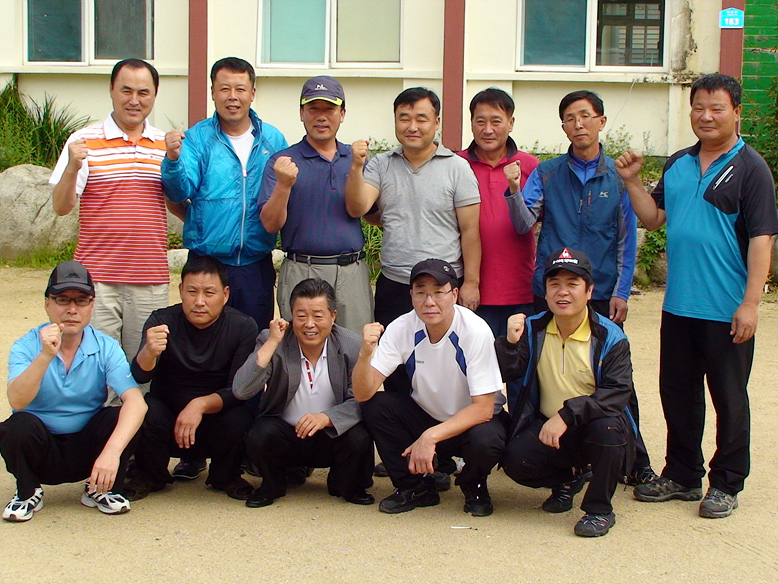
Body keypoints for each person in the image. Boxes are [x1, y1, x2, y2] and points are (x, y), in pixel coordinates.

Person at [616, 73, 778, 518]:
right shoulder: (678, 164)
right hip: (679, 306)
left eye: (716, 108)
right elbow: (654, 218)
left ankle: (726, 482)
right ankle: (683, 474)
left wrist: (750, 304)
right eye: (698, 108)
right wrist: (631, 182)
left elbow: (762, 240)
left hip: (726, 308)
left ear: (736, 112)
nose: (706, 116)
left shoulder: (751, 168)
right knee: (678, 394)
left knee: (729, 398)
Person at [505, 89, 654, 485]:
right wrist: (515, 190)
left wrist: (621, 291)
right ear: (563, 127)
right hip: (552, 289)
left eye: (586, 116)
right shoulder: (548, 173)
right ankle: (544, 450)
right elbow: (523, 224)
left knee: (613, 378)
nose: (579, 124)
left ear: (601, 122)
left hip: (600, 292)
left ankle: (635, 459)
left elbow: (626, 238)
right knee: (542, 370)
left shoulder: (618, 177)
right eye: (570, 118)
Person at [345, 87, 481, 402]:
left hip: (443, 285)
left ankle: (445, 429)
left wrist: (471, 283)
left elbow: (470, 230)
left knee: (447, 367)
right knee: (395, 369)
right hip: (396, 284)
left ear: (436, 122)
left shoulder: (457, 168)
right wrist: (356, 167)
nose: (412, 126)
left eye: (421, 118)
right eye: (404, 118)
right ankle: (402, 427)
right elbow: (358, 207)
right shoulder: (381, 164)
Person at [496, 248, 633, 537]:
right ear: (545, 292)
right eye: (554, 284)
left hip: (592, 423)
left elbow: (617, 393)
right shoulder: (532, 328)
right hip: (548, 425)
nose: (563, 292)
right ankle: (569, 479)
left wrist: (567, 415)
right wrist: (508, 343)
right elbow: (509, 372)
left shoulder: (610, 336)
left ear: (589, 291)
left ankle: (599, 510)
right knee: (516, 461)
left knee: (608, 430)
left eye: (573, 284)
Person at [353, 259, 508, 516]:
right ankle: (415, 487)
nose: (429, 302)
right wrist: (364, 355)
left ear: (454, 295)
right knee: (377, 406)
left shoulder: (475, 330)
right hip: (426, 415)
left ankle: (475, 485)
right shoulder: (402, 327)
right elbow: (363, 393)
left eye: (438, 292)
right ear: (411, 295)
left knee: (487, 439)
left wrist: (430, 437)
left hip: (470, 422)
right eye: (421, 292)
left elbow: (483, 409)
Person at [49, 58, 178, 364]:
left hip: (150, 278)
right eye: (126, 91)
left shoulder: (165, 146)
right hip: (97, 280)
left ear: (154, 95)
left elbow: (177, 203)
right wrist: (72, 166)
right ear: (111, 90)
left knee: (145, 366)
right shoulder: (82, 141)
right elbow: (61, 206)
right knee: (93, 365)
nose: (134, 100)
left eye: (143, 93)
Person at [0, 261, 147, 522]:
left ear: (92, 305)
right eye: (62, 300)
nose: (71, 309)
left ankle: (101, 488)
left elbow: (137, 402)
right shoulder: (26, 345)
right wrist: (45, 355)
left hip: (88, 446)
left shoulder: (106, 346)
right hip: (42, 446)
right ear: (47, 303)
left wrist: (111, 453)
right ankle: (28, 491)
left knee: (122, 416)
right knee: (15, 427)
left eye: (81, 300)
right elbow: (18, 400)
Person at [162, 56, 288, 330]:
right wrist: (172, 160)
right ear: (213, 92)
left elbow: (284, 194)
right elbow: (178, 191)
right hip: (206, 265)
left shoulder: (273, 139)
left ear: (252, 93)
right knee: (204, 341)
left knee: (254, 339)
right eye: (224, 89)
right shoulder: (197, 139)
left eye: (240, 89)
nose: (233, 96)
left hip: (255, 264)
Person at [122, 256, 257, 501]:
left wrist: (199, 405)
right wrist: (149, 351)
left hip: (215, 418)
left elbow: (238, 390)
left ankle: (225, 476)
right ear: (181, 290)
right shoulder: (161, 321)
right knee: (145, 408)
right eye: (192, 292)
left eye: (209, 293)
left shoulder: (242, 326)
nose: (199, 302)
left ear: (225, 294)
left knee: (240, 416)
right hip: (168, 418)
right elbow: (140, 375)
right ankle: (150, 475)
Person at [232, 278, 374, 508]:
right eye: (300, 316)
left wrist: (327, 418)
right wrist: (272, 343)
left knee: (359, 436)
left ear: (333, 316)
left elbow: (361, 399)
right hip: (286, 434)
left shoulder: (351, 344)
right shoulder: (272, 339)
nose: (309, 324)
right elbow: (241, 390)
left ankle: (347, 485)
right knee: (260, 433)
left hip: (331, 434)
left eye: (318, 316)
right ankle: (272, 485)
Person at [258, 76, 372, 333]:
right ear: (302, 113)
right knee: (301, 347)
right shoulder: (283, 161)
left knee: (355, 347)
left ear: (342, 114)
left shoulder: (356, 159)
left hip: (351, 272)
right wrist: (284, 184)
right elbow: (270, 224)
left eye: (329, 109)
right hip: (302, 270)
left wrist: (356, 166)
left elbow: (362, 211)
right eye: (313, 109)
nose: (321, 117)